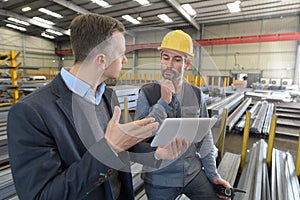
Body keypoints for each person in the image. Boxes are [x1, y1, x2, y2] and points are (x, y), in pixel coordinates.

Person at [7, 14, 186, 200]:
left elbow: (123, 145)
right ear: (101, 60)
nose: (125, 60)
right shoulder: (31, 113)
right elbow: (42, 196)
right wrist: (107, 150)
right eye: (121, 54)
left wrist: (155, 153)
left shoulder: (107, 95)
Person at [134, 30, 231, 200]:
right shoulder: (148, 93)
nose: (169, 64)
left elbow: (205, 137)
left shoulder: (196, 94)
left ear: (187, 64)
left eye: (177, 59)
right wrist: (163, 103)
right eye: (165, 57)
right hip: (159, 179)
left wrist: (213, 175)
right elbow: (139, 137)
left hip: (192, 173)